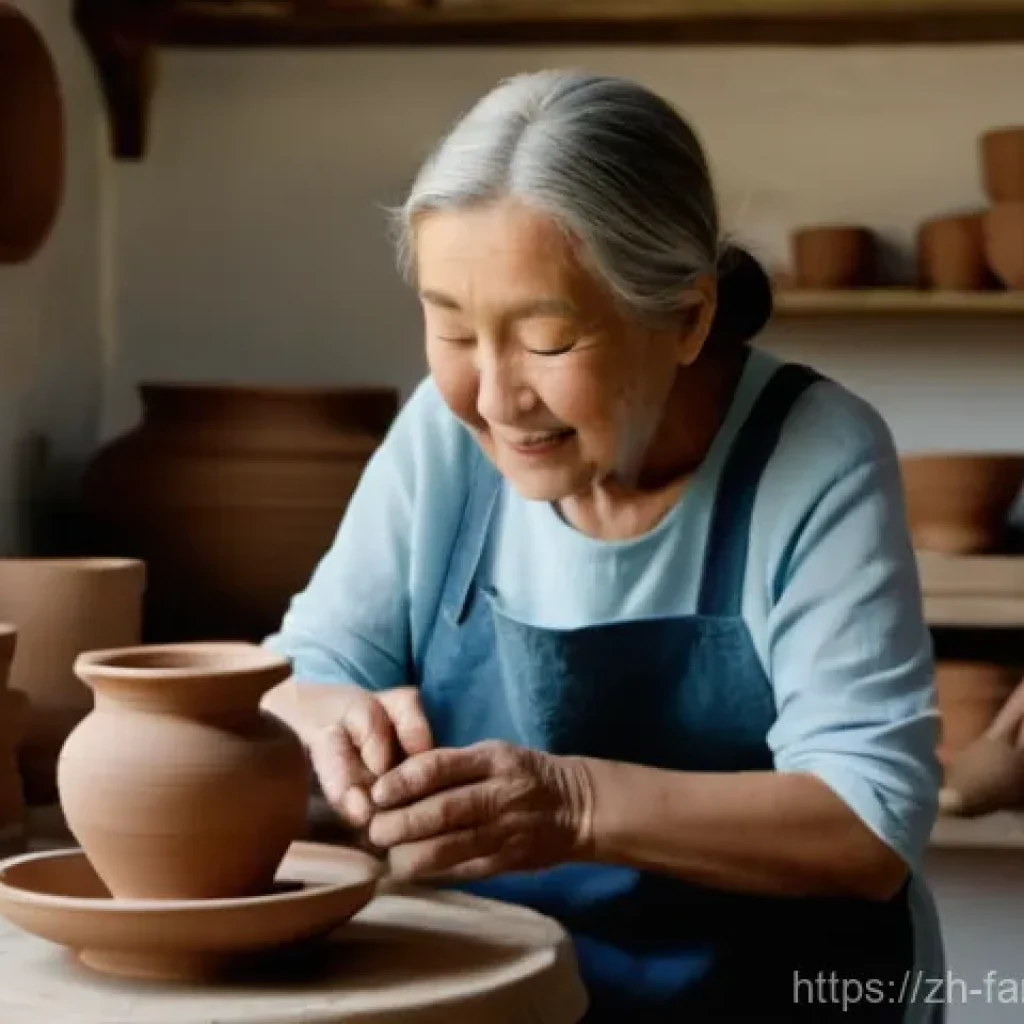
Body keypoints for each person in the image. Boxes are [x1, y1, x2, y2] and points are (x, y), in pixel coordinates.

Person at [263, 70, 945, 1022]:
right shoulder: (444, 436)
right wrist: (337, 724)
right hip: (513, 996)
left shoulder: (813, 453)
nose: (497, 398)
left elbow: (868, 825)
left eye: (546, 340)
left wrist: (572, 804)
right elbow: (304, 670)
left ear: (687, 318)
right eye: (453, 329)